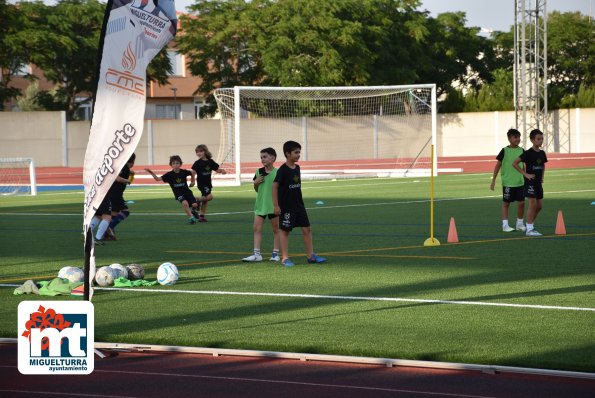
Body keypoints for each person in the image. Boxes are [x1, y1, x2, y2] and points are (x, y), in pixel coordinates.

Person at [272, 140, 326, 267]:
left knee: (307, 229)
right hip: (286, 206)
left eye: (299, 152)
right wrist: (276, 205)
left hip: (299, 205)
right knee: (285, 231)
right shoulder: (282, 170)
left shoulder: (297, 168)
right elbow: (274, 187)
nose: (298, 155)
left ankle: (311, 255)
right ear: (287, 153)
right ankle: (285, 258)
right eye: (296, 152)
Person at [243, 148, 280, 262]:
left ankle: (275, 254)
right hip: (260, 205)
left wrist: (278, 205)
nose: (262, 159)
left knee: (276, 229)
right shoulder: (258, 172)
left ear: (273, 158)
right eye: (261, 157)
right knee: (256, 228)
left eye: (265, 157)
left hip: (273, 206)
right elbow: (257, 189)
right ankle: (256, 254)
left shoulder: (278, 173)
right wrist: (255, 183)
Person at [145, 155, 200, 224]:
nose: (175, 165)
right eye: (173, 163)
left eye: (177, 163)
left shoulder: (183, 172)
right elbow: (157, 179)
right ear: (171, 165)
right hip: (178, 194)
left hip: (187, 192)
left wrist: (193, 182)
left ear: (180, 164)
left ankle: (193, 210)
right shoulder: (169, 175)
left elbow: (192, 172)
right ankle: (191, 218)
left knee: (195, 205)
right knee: (185, 203)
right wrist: (151, 172)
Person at [513, 129, 548, 237]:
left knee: (540, 206)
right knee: (532, 204)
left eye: (542, 139)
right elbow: (514, 163)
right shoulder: (527, 153)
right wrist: (525, 174)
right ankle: (529, 229)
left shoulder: (542, 153)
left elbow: (543, 165)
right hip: (530, 183)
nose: (540, 141)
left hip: (538, 183)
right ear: (532, 140)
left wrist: (542, 176)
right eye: (538, 139)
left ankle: (530, 224)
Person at [490, 129, 526, 232]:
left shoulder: (522, 150)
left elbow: (524, 166)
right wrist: (493, 180)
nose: (517, 139)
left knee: (522, 203)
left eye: (518, 137)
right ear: (509, 139)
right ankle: (505, 225)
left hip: (520, 182)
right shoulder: (504, 150)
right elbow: (498, 165)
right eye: (515, 137)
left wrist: (525, 177)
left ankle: (519, 224)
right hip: (508, 183)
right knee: (506, 204)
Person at [192, 144, 227, 222]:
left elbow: (217, 169)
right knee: (210, 197)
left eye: (201, 151)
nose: (199, 153)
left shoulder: (210, 161)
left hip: (208, 184)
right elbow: (193, 172)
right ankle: (196, 200)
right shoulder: (197, 163)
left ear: (205, 151)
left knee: (205, 200)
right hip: (202, 184)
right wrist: (193, 181)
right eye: (197, 152)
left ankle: (201, 216)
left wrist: (222, 171)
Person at [105, 153, 136, 240]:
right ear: (132, 161)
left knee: (114, 213)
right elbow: (117, 178)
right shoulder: (124, 167)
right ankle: (110, 228)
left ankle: (106, 235)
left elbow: (129, 182)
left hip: (113, 193)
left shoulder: (125, 168)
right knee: (126, 211)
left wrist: (131, 175)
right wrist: (127, 180)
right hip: (115, 193)